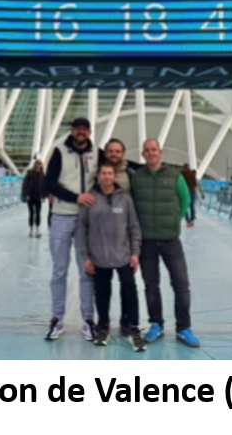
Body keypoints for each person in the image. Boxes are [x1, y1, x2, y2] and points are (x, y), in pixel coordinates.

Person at [131, 140, 201, 348]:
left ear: (160, 152)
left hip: (171, 240)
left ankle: (184, 328)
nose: (151, 153)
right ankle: (156, 324)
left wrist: (174, 221)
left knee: (181, 285)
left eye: (154, 150)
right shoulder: (137, 178)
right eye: (147, 150)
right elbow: (132, 204)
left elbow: (185, 200)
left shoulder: (175, 176)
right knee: (151, 286)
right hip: (147, 241)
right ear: (143, 154)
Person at [78, 163, 146, 352]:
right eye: (103, 173)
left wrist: (135, 253)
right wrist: (86, 257)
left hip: (123, 255)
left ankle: (133, 327)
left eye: (110, 173)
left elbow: (134, 227)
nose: (107, 177)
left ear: (114, 176)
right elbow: (81, 229)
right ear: (98, 176)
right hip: (99, 256)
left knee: (129, 291)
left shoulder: (125, 199)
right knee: (102, 293)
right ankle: (103, 326)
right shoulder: (90, 199)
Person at [44, 118, 100, 342]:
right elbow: (49, 183)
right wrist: (75, 197)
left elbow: (119, 165)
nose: (81, 132)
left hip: (86, 219)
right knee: (59, 271)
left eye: (84, 129)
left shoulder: (96, 153)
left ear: (89, 132)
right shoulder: (59, 152)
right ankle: (57, 319)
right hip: (62, 216)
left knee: (87, 271)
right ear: (72, 131)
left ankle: (88, 320)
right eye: (77, 129)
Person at [101, 138, 142, 336]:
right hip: (102, 236)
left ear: (123, 154)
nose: (114, 154)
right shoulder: (99, 173)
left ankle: (128, 320)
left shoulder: (130, 174)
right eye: (111, 151)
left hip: (123, 236)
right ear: (105, 153)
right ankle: (103, 322)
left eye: (117, 151)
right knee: (102, 284)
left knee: (128, 283)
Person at [22, 159, 46, 238]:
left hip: (38, 196)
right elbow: (25, 185)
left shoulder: (42, 174)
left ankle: (37, 230)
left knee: (38, 213)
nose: (39, 165)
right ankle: (31, 230)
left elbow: (44, 186)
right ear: (35, 165)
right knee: (31, 213)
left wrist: (43, 196)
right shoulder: (30, 173)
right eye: (38, 164)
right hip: (30, 196)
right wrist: (26, 194)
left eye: (40, 164)